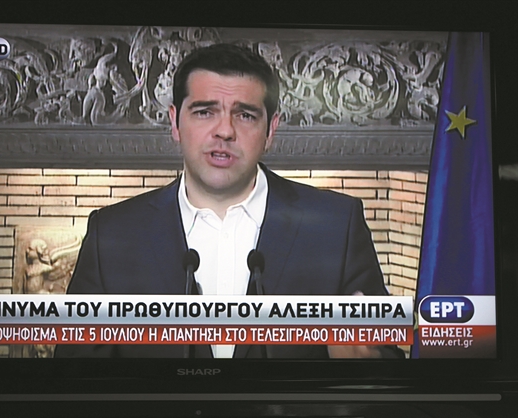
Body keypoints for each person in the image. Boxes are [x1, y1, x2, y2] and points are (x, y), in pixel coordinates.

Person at [55, 44, 403, 359]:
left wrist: (364, 366)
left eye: (245, 115)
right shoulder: (112, 233)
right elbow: (73, 379)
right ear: (175, 122)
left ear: (271, 130)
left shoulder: (336, 226)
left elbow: (389, 361)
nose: (224, 131)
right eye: (205, 112)